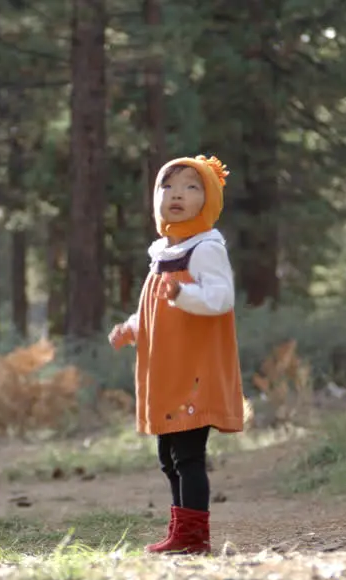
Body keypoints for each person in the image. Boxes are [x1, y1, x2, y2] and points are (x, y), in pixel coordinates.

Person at [109, 154, 246, 555]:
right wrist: (132, 328)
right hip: (167, 372)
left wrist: (184, 294)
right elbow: (154, 306)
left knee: (188, 457)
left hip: (194, 372)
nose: (177, 195)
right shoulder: (163, 253)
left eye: (191, 187)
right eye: (167, 187)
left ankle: (195, 538)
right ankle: (180, 531)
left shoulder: (204, 249)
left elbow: (221, 298)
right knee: (168, 458)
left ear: (209, 200)